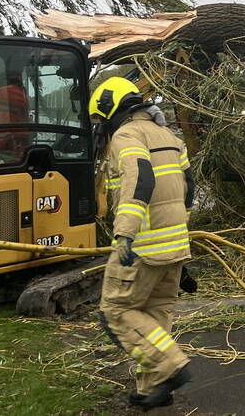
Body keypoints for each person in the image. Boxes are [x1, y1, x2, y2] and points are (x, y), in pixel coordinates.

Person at [90, 77, 196, 409]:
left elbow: (141, 178)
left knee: (116, 310)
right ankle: (155, 389)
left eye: (100, 118)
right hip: (173, 244)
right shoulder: (169, 136)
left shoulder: (127, 135)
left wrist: (125, 233)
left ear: (111, 108)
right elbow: (189, 187)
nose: (101, 126)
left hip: (142, 245)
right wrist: (178, 237)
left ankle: (170, 366)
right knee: (154, 314)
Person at [0, 71, 30, 165]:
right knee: (17, 161)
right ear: (21, 80)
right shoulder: (23, 96)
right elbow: (24, 118)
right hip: (16, 135)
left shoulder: (0, 91)